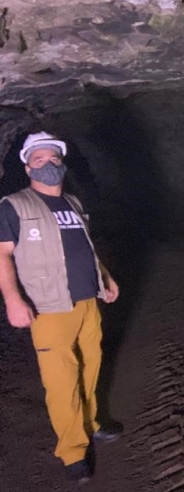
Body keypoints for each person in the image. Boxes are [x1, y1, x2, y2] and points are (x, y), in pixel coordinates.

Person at [0, 131, 121, 485]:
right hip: (49, 308)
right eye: (39, 159)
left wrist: (105, 277)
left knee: (90, 367)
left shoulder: (72, 202)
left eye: (53, 158)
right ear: (27, 167)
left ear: (62, 163)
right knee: (61, 380)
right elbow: (2, 253)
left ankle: (92, 423)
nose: (48, 163)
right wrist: (12, 298)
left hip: (86, 301)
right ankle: (73, 452)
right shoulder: (14, 205)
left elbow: (85, 246)